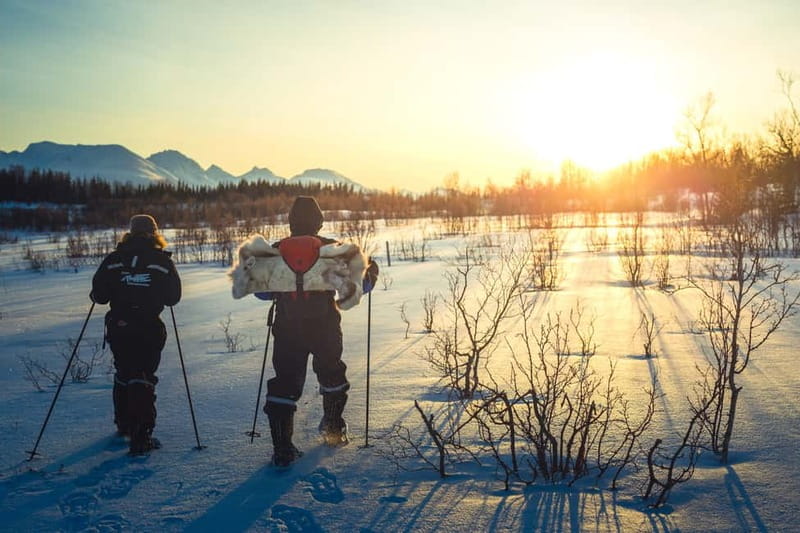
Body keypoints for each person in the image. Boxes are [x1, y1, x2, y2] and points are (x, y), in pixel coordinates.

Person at [256, 196, 378, 467]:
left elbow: (262, 293)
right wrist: (372, 271)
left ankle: (282, 448)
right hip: (325, 326)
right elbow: (361, 284)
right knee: (332, 373)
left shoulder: (276, 251)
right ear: (319, 221)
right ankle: (333, 429)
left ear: (291, 222)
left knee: (285, 382)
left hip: (287, 328)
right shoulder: (331, 249)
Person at [91, 214, 181, 454]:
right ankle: (141, 435)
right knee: (143, 374)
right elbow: (173, 298)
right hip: (149, 327)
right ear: (154, 233)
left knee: (124, 371)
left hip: (119, 326)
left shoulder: (113, 259)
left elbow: (99, 296)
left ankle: (124, 425)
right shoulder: (161, 261)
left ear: (130, 232)